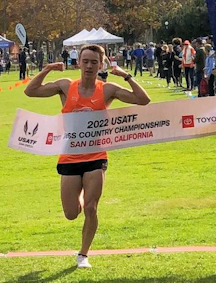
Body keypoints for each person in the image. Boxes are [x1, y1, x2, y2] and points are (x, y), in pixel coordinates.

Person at [24, 44, 150, 268]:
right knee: (72, 214)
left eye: (94, 62)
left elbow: (143, 100)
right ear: (78, 62)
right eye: (86, 61)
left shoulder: (107, 90)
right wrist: (47, 69)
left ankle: (83, 254)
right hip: (70, 157)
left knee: (91, 208)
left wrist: (126, 76)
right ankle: (80, 197)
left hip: (96, 156)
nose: (89, 66)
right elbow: (30, 91)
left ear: (100, 65)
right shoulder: (65, 86)